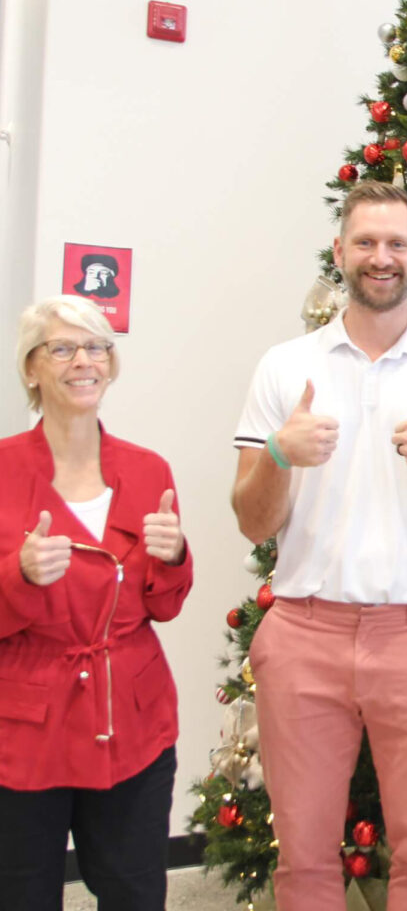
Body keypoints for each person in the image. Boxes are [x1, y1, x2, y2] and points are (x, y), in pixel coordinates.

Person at [232, 181, 407, 911]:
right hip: (302, 634)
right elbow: (252, 521)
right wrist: (277, 453)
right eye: (365, 242)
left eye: (396, 244)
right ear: (340, 252)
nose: (380, 257)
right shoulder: (283, 367)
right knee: (302, 860)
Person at [0, 295, 191, 910]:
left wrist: (175, 555)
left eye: (97, 347)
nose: (82, 361)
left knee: (134, 892)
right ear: (31, 368)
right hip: (27, 728)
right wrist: (20, 575)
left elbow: (165, 606)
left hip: (133, 718)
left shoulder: (147, 468)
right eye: (61, 347)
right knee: (22, 892)